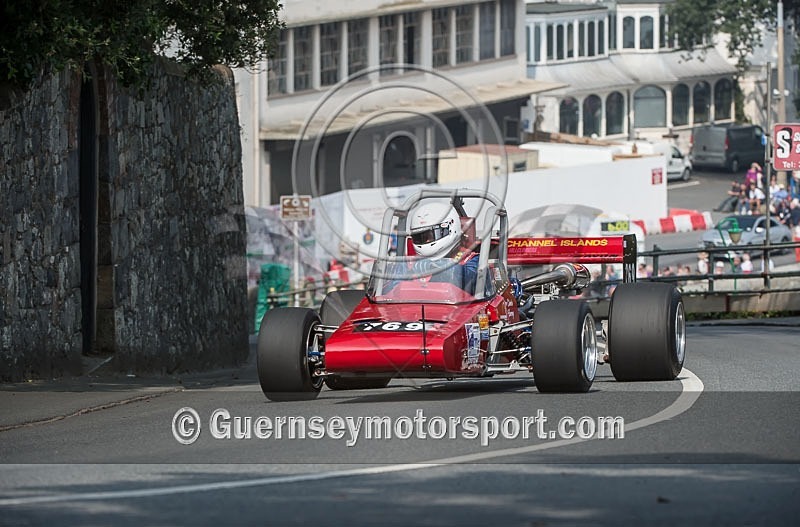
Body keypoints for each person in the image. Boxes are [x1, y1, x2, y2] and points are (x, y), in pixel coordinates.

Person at [408, 201, 479, 292]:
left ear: (450, 228)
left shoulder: (471, 261)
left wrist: (440, 268)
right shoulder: (410, 264)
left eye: (430, 236)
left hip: (455, 305)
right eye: (420, 237)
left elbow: (471, 281)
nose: (427, 241)